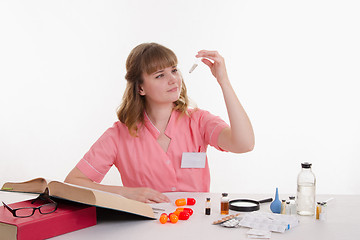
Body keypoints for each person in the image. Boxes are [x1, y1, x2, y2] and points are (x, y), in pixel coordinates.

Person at [65, 42, 254, 203]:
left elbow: (244, 144)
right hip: (145, 229)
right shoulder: (118, 135)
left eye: (174, 70)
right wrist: (125, 193)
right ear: (140, 88)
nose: (173, 79)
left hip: (195, 227)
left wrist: (224, 81)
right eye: (160, 75)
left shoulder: (199, 121)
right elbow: (73, 182)